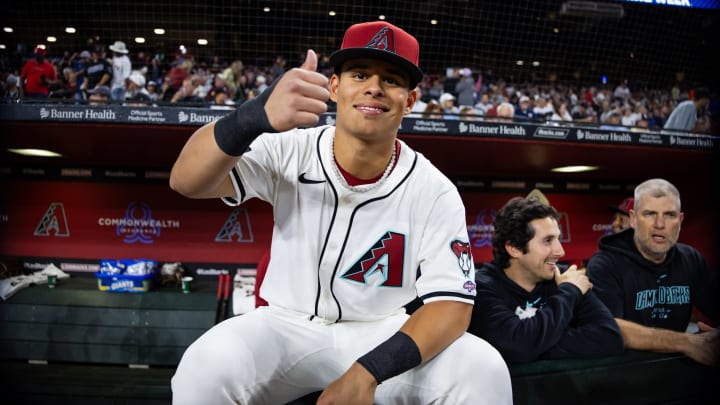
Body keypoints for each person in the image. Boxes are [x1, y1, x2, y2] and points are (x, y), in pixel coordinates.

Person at [169, 21, 511, 404]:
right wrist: (253, 116)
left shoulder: (434, 190)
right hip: (282, 328)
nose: (374, 87)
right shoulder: (290, 148)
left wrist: (370, 371)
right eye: (360, 74)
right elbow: (186, 180)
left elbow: (452, 307)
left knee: (484, 369)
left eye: (392, 79)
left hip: (380, 332)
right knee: (204, 366)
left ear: (410, 100)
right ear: (334, 87)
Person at [468, 197, 624, 364]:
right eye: (548, 241)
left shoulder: (564, 277)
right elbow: (517, 347)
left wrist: (534, 344)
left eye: (558, 238)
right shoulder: (481, 288)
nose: (561, 251)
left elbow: (610, 338)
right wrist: (569, 293)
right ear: (514, 248)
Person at [586, 178, 719, 366]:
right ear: (633, 218)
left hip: (678, 377)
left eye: (670, 215)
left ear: (680, 220)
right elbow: (608, 327)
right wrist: (688, 342)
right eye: (650, 214)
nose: (660, 224)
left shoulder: (690, 259)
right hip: (623, 379)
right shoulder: (605, 264)